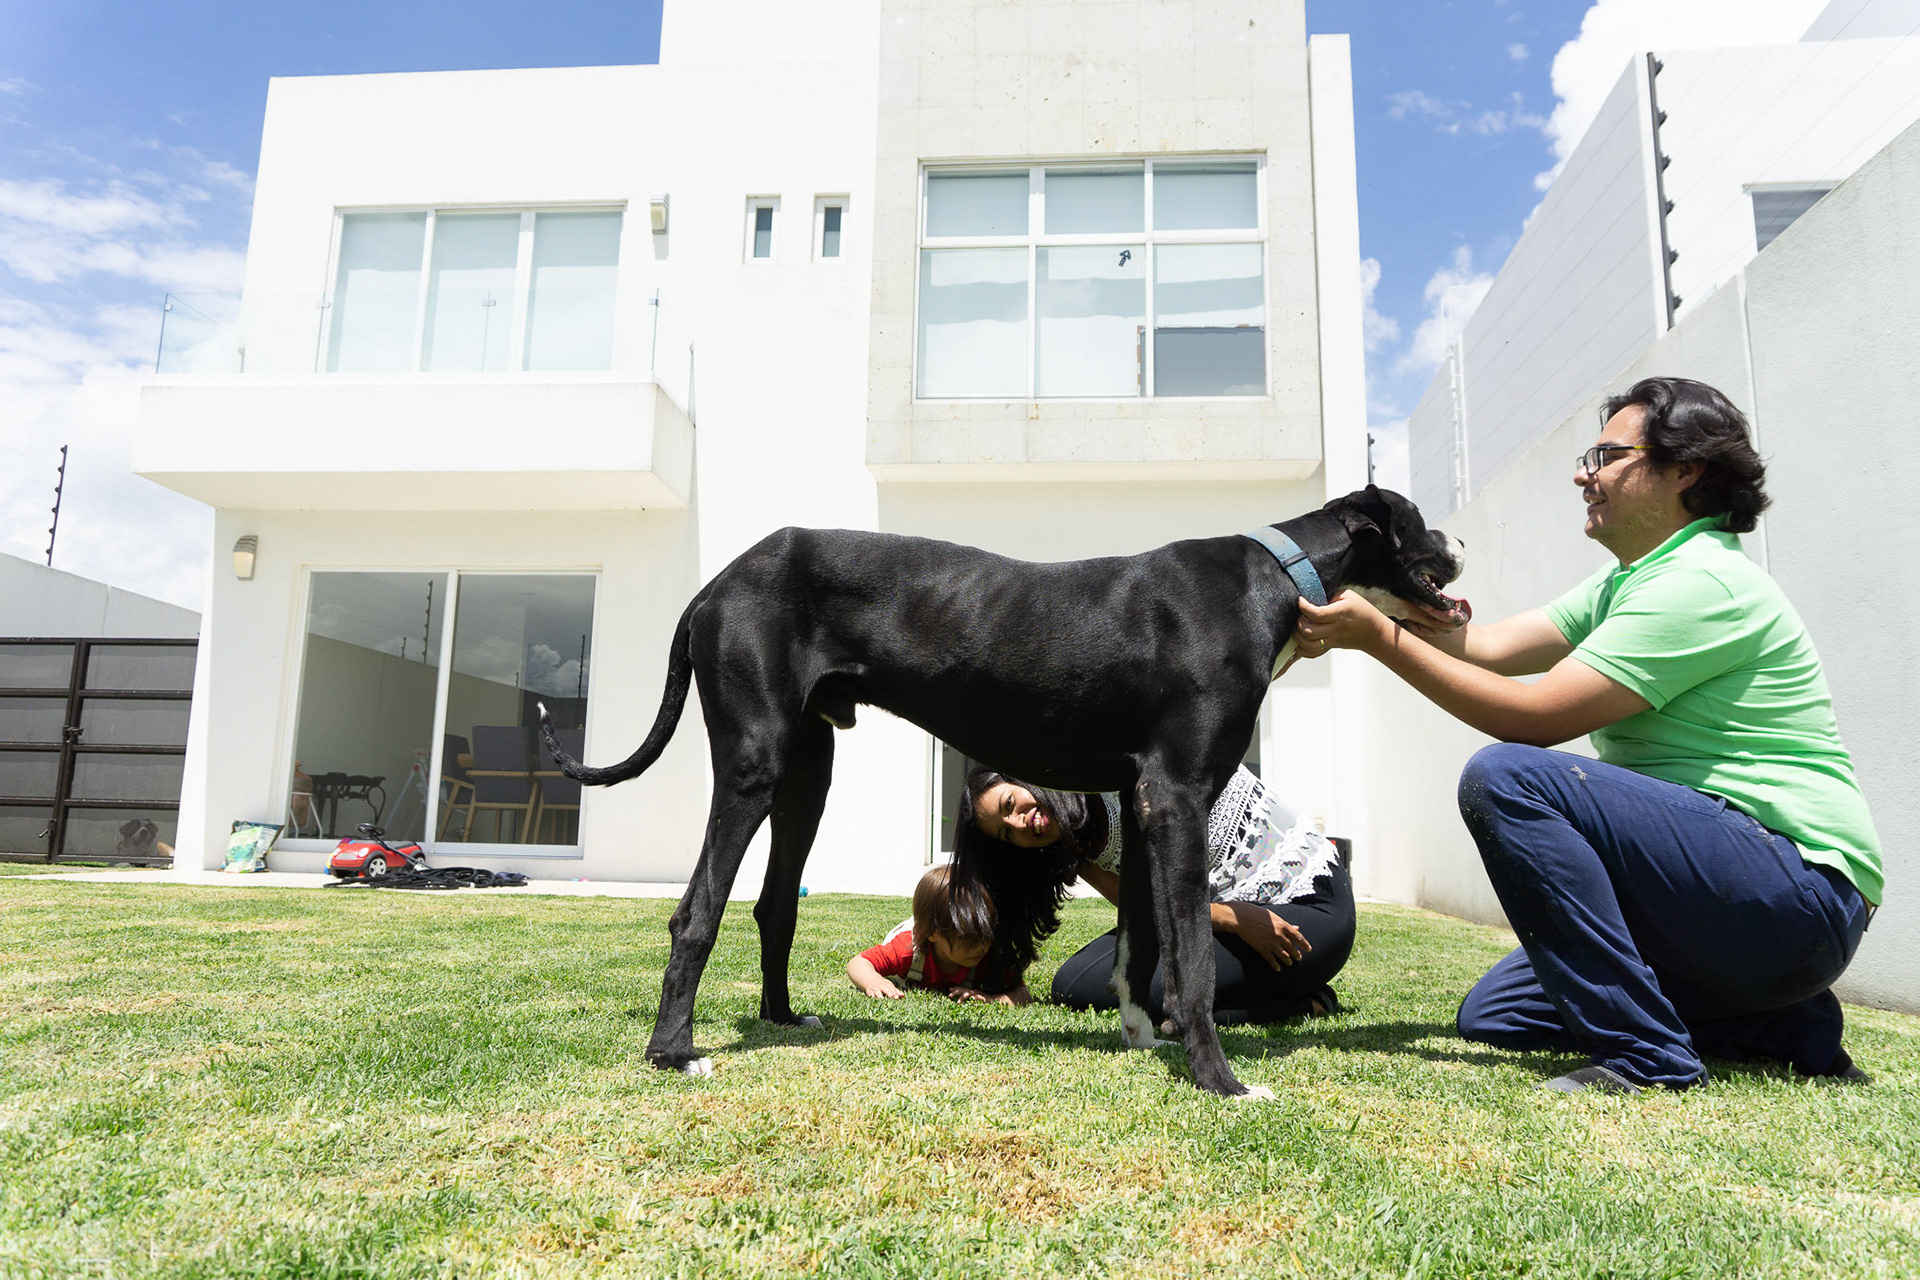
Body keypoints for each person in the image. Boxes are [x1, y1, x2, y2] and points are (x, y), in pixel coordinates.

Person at [1292, 376, 1881, 1094]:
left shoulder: (1701, 582)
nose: (1583, 473)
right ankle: (1782, 1022)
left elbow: (1530, 717)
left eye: (1605, 455)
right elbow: (1489, 646)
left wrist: (1379, 639)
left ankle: (1649, 1057)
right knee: (1495, 1012)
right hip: (1719, 898)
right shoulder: (1629, 581)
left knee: (1506, 776)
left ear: (1685, 469)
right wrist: (1394, 601)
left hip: (1795, 892)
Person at [952, 763, 1355, 1025]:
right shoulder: (1073, 846)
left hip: (1305, 906)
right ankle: (1292, 1001)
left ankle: (1301, 1002)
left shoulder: (1109, 766)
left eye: (1010, 803)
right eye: (1007, 831)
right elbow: (1140, 905)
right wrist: (1232, 917)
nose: (1020, 823)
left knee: (1150, 991)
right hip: (1228, 917)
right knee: (1075, 985)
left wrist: (1239, 916)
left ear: (1026, 778)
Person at [846, 864, 1032, 1005]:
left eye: (986, 933)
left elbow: (1022, 993)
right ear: (933, 933)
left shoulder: (988, 957)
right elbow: (858, 962)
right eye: (967, 937)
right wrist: (874, 981)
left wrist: (990, 998)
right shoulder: (907, 950)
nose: (981, 945)